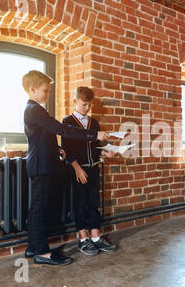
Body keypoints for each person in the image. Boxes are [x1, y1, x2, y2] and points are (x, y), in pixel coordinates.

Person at [23, 70, 109, 266]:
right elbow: (61, 129)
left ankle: (33, 248)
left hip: (42, 164)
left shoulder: (34, 109)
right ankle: (42, 254)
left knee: (38, 207)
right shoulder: (34, 109)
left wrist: (58, 148)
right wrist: (93, 135)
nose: (47, 94)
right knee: (39, 209)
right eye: (45, 90)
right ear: (32, 89)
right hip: (41, 166)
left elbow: (43, 137)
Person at [61, 86, 117, 256]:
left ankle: (95, 237)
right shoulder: (67, 122)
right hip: (78, 171)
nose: (87, 108)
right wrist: (77, 169)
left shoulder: (94, 123)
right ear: (75, 102)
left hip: (93, 169)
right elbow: (66, 150)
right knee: (80, 204)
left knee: (94, 203)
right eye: (84, 104)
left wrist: (104, 152)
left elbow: (94, 148)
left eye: (89, 105)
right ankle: (83, 239)